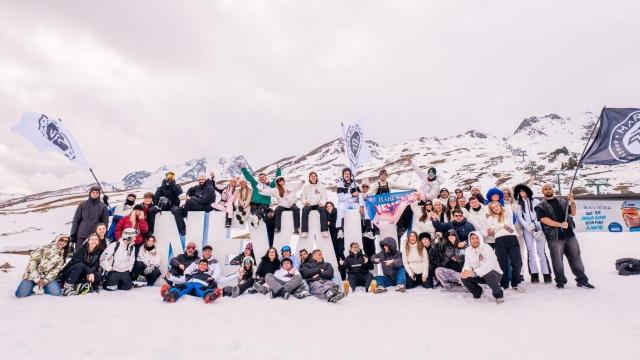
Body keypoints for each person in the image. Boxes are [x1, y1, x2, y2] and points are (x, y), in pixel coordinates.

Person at [535, 184, 594, 289]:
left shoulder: (563, 201)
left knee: (576, 258)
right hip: (554, 237)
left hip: (570, 235)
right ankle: (560, 281)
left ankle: (582, 280)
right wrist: (560, 224)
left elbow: (573, 213)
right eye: (545, 189)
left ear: (553, 190)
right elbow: (544, 220)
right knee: (557, 260)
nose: (548, 190)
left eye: (549, 188)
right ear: (542, 192)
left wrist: (572, 201)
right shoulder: (540, 206)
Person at [514, 183, 551, 283]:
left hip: (539, 229)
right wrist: (528, 227)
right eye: (520, 191)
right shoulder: (518, 204)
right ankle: (534, 274)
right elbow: (520, 217)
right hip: (527, 230)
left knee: (541, 252)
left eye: (523, 190)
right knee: (531, 252)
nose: (522, 193)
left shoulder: (536, 201)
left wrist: (537, 225)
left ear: (527, 191)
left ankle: (546, 274)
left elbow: (541, 213)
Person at [487, 201, 524, 291]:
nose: (496, 208)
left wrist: (499, 226)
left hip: (512, 238)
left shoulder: (507, 213)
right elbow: (490, 229)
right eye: (493, 207)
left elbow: (507, 206)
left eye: (497, 206)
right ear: (491, 210)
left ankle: (516, 283)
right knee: (502, 264)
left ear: (500, 206)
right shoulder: (490, 218)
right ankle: (504, 284)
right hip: (500, 240)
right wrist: (501, 226)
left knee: (517, 262)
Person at [461, 231, 505, 303]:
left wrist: (474, 273)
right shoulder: (468, 250)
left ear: (480, 239)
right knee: (464, 276)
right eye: (472, 238)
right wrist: (465, 271)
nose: (475, 240)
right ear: (470, 239)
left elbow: (489, 265)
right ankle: (477, 292)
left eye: (477, 238)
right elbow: (467, 264)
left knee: (488, 273)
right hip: (478, 274)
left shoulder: (487, 248)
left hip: (494, 274)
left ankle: (498, 294)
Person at [70, 186, 109, 250]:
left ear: (99, 194)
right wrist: (73, 234)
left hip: (96, 235)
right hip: (82, 234)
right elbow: (76, 220)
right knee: (80, 253)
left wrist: (103, 235)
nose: (95, 194)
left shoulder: (103, 206)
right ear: (90, 193)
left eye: (97, 193)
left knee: (95, 254)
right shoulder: (82, 204)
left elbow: (105, 222)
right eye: (93, 192)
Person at [300, 171, 329, 237]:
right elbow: (303, 197)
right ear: (309, 178)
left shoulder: (321, 186)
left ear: (316, 177)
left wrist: (322, 203)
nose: (313, 177)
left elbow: (325, 197)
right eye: (311, 176)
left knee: (324, 210)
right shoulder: (306, 187)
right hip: (309, 204)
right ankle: (304, 231)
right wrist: (305, 202)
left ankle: (324, 230)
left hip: (318, 204)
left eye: (314, 176)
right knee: (304, 210)